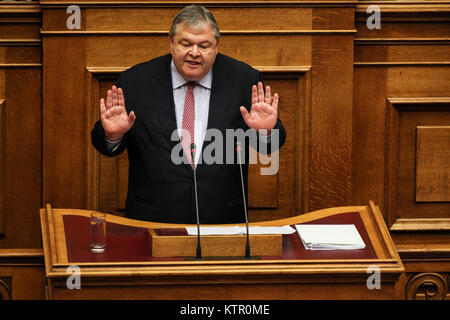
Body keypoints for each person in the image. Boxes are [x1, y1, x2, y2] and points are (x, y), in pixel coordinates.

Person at [91, 5, 286, 223]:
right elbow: (103, 143)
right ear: (171, 42)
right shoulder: (136, 81)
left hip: (222, 219)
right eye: (186, 44)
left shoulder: (243, 79)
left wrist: (266, 132)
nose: (194, 52)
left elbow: (268, 146)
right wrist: (113, 136)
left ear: (217, 47)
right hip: (153, 221)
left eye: (204, 45)